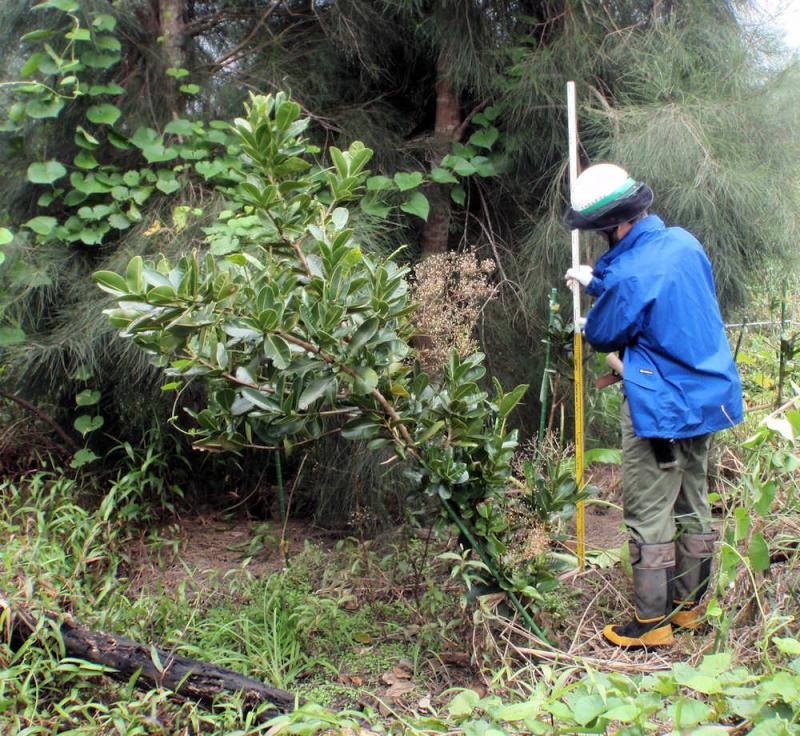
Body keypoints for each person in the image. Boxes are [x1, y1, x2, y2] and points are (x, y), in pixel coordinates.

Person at [562, 163, 743, 648]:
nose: (601, 240)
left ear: (615, 225)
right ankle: (689, 611)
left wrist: (592, 308)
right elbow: (650, 285)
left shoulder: (633, 272)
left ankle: (650, 624)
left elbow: (605, 332)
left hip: (661, 405)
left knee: (649, 509)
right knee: (693, 500)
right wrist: (600, 281)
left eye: (600, 232)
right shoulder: (684, 242)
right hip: (707, 396)